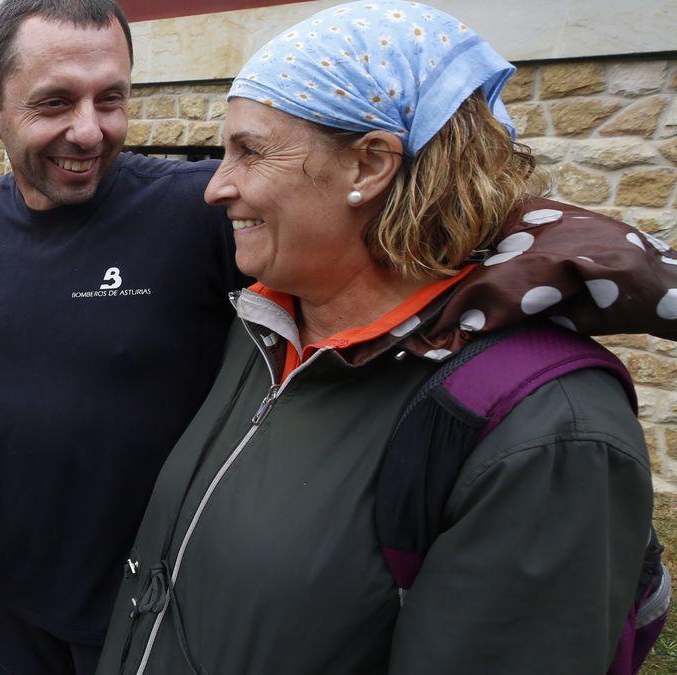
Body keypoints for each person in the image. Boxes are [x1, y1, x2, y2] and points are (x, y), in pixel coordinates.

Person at [99, 2, 663, 672]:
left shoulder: (547, 433)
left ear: (369, 165)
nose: (216, 186)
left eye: (249, 150)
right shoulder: (272, 322)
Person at [0, 1, 245, 671]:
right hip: (17, 596)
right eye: (55, 103)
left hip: (153, 609)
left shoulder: (197, 209)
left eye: (110, 99)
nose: (89, 132)